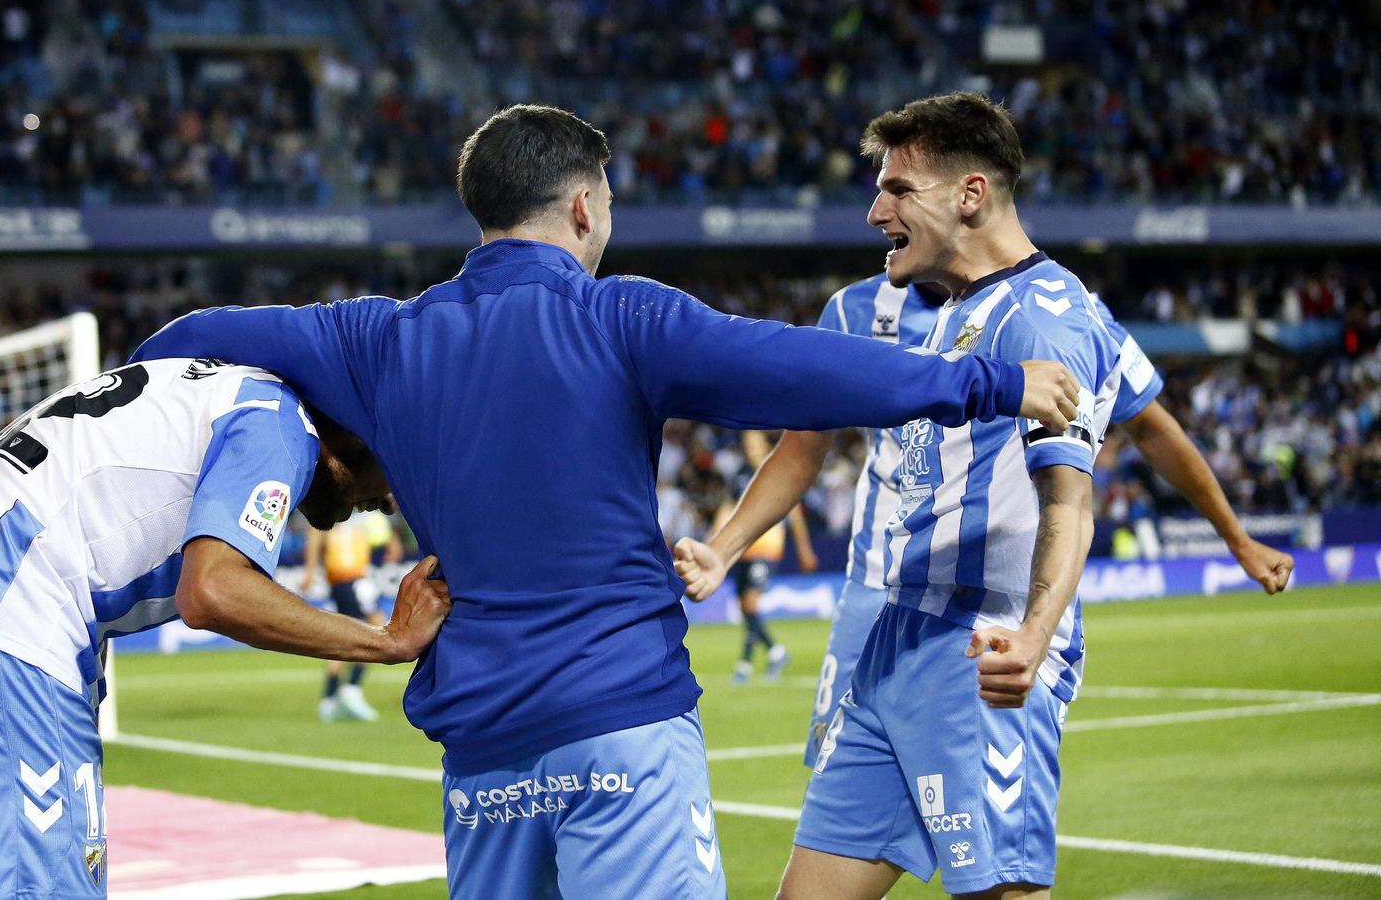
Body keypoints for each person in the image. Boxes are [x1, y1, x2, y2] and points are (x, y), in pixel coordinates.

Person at [131, 104, 1083, 900]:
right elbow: (793, 366)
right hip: (621, 726)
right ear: (584, 206)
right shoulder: (620, 315)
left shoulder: (375, 340)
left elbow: (188, 336)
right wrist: (986, 384)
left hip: (482, 754)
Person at [0, 358, 450, 900]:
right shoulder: (279, 422)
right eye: (396, 464)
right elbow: (214, 590)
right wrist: (386, 640)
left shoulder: (214, 390)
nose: (394, 498)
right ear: (348, 429)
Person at [678, 276, 1294, 769]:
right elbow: (801, 449)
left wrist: (1235, 538)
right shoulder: (852, 310)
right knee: (841, 801)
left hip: (986, 604)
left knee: (985, 834)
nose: (880, 214)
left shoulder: (1058, 308)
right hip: (876, 590)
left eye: (898, 191)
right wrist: (725, 548)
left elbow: (1150, 425)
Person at [750, 90, 1121, 900]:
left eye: (898, 189)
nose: (876, 210)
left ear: (970, 195)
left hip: (978, 649)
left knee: (999, 892)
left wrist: (1032, 635)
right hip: (892, 643)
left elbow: (1070, 502)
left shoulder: (1044, 320)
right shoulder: (960, 310)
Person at [715, 430, 818, 684]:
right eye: (746, 443)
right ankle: (750, 663)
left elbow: (793, 513)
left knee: (750, 605)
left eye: (753, 442)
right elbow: (728, 507)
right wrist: (713, 542)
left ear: (764, 444)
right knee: (745, 609)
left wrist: (805, 550)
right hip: (742, 549)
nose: (749, 447)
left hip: (767, 547)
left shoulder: (774, 469)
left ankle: (770, 653)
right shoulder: (741, 474)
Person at [305, 511, 403, 721]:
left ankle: (329, 701)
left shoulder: (343, 511)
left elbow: (392, 543)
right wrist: (310, 571)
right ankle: (351, 691)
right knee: (380, 631)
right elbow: (315, 538)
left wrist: (311, 571)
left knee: (342, 636)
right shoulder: (355, 512)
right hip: (352, 578)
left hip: (341, 580)